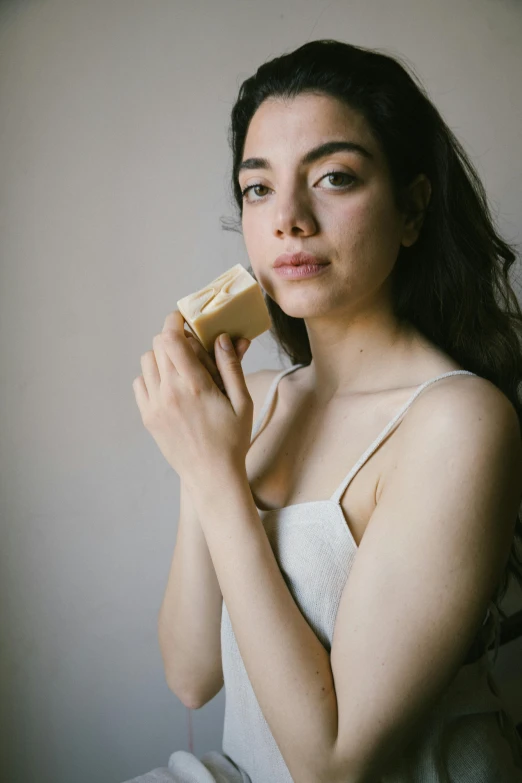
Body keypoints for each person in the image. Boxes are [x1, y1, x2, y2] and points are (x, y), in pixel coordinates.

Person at [124, 39, 522, 782]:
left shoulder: (459, 421)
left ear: (412, 208)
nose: (290, 220)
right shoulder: (260, 399)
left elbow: (335, 763)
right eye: (258, 188)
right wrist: (200, 459)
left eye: (334, 177)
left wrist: (218, 476)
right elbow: (190, 673)